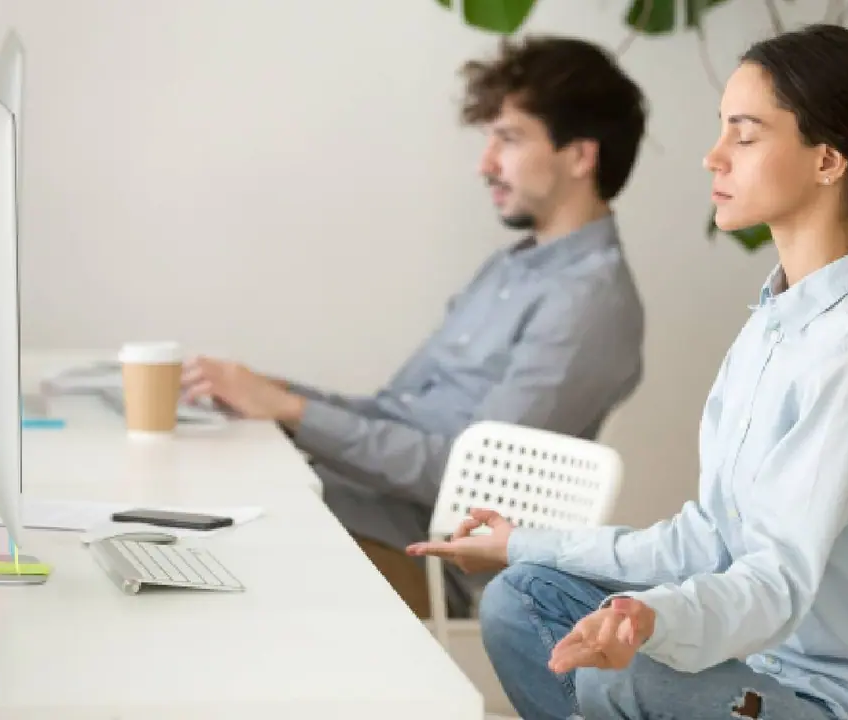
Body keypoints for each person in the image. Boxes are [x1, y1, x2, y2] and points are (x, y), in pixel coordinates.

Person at [407, 23, 848, 720]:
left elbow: (773, 582)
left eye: (744, 136)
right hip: (759, 664)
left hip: (839, 699)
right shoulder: (775, 323)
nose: (713, 158)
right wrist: (521, 541)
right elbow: (707, 539)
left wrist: (651, 620)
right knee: (520, 598)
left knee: (626, 677)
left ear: (828, 160)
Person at [182, 35, 648, 620]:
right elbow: (395, 412)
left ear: (580, 156)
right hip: (369, 512)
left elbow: (471, 485)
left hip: (431, 562)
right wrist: (272, 394)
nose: (485, 165)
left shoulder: (590, 304)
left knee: (221, 546)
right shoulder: (511, 268)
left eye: (507, 138)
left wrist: (291, 412)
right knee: (191, 498)